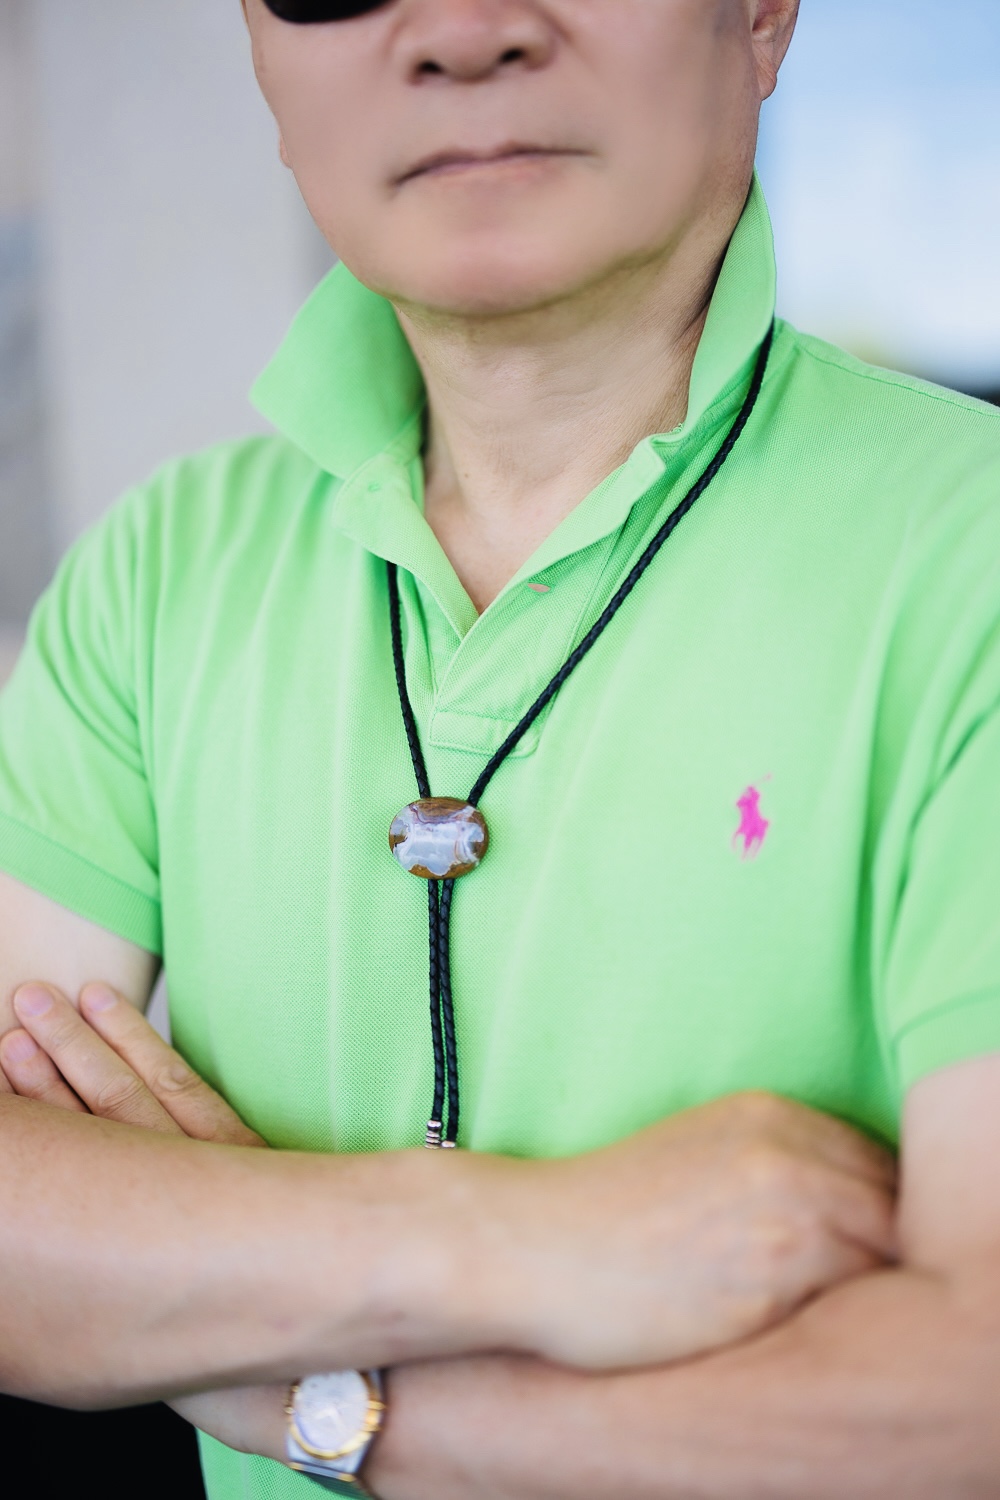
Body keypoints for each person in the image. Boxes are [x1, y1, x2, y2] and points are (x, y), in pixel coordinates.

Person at [2, 0, 1000, 1495]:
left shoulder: (973, 552)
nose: (461, 32)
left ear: (762, 14)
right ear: (263, 60)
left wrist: (289, 1385)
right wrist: (525, 1239)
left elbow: (974, 1397)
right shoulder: (158, 569)